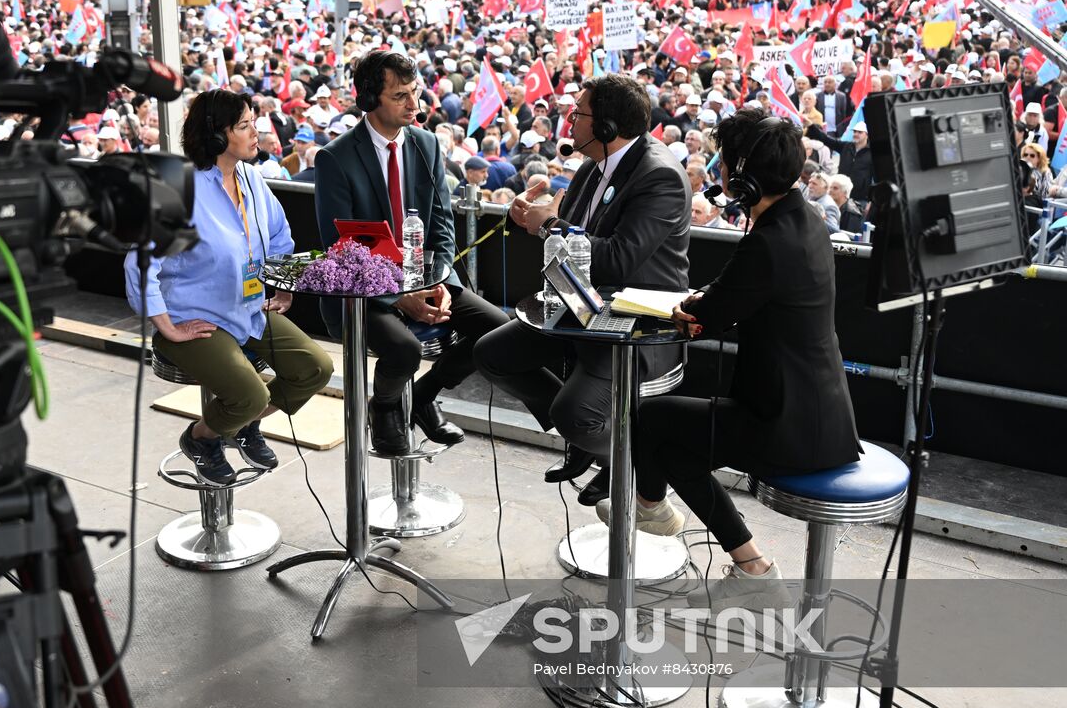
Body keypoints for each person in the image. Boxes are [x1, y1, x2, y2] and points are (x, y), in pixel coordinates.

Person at [625, 108, 861, 611]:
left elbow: (712, 314)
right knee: (670, 450)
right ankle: (751, 565)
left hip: (787, 424)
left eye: (726, 164)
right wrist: (704, 304)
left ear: (743, 176)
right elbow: (732, 292)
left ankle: (648, 507)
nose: (721, 174)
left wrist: (694, 311)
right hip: (816, 412)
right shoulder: (801, 218)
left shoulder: (772, 240)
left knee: (652, 417)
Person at [475, 74, 690, 486]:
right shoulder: (595, 164)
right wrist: (531, 215)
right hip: (579, 306)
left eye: (579, 113)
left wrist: (550, 225)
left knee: (575, 412)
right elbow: (575, 231)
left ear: (607, 126)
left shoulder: (658, 176)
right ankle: (591, 445)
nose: (570, 122)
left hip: (634, 321)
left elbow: (618, 260)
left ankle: (633, 469)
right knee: (491, 355)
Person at [124, 88, 333, 483]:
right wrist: (166, 326)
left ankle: (243, 426)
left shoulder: (252, 178)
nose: (256, 131)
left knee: (315, 368)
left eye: (254, 122)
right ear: (217, 135)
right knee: (252, 393)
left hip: (249, 310)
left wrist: (283, 287)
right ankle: (202, 439)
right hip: (194, 320)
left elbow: (277, 236)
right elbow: (140, 262)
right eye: (244, 125)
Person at [314, 50, 508, 453]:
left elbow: (441, 224)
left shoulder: (426, 144)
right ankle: (384, 408)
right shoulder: (335, 157)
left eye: (415, 93)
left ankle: (422, 397)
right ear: (369, 100)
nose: (414, 106)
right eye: (400, 96)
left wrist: (441, 284)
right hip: (363, 291)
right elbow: (343, 249)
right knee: (405, 349)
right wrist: (399, 298)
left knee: (499, 331)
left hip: (424, 276)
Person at [805, 119, 874, 208]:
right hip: (840, 195)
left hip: (860, 198)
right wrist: (811, 126)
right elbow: (827, 140)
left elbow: (875, 178)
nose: (856, 134)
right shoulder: (846, 146)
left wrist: (870, 200)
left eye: (860, 132)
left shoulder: (871, 153)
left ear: (867, 135)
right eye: (855, 132)